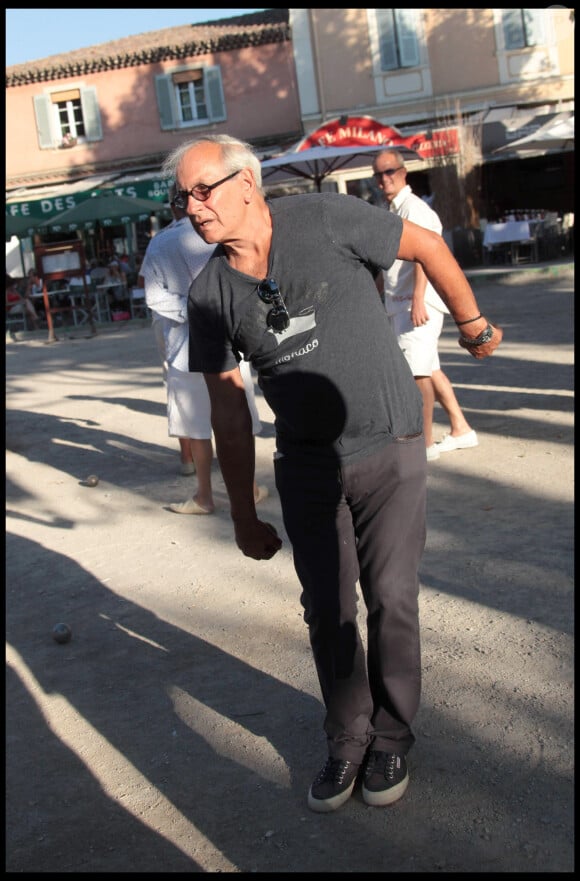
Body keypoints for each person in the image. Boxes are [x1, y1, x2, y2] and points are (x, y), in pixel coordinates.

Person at [161, 134, 502, 813]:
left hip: (391, 440)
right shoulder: (209, 294)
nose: (193, 207)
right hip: (308, 464)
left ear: (249, 183)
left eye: (205, 189)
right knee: (327, 609)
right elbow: (229, 413)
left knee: (390, 597)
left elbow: (426, 248)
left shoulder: (323, 217)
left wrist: (472, 321)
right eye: (182, 197)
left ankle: (392, 734)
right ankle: (348, 736)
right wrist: (242, 512)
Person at [140, 185, 268, 512]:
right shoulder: (223, 234)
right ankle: (250, 488)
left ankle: (204, 495)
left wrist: (192, 312)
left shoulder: (160, 243)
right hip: (229, 340)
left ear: (172, 207)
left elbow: (154, 298)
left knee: (196, 426)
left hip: (185, 349)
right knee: (238, 417)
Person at [372, 149, 478, 461]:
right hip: (400, 303)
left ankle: (426, 443)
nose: (384, 179)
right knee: (430, 370)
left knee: (417, 374)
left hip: (415, 306)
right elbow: (389, 265)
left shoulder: (415, 209)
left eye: (389, 171)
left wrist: (418, 299)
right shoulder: (393, 208)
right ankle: (461, 428)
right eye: (378, 174)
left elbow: (425, 255)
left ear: (403, 172)